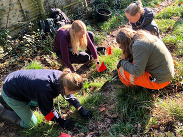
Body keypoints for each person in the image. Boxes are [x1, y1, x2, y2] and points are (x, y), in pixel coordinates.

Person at [0, 69, 92, 129]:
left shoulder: (64, 77)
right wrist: (60, 121)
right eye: (73, 93)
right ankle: (2, 111)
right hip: (12, 93)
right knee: (31, 124)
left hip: (16, 82)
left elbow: (67, 95)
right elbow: (46, 111)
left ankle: (3, 98)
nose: (74, 95)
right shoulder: (45, 90)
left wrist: (79, 107)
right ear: (66, 88)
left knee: (40, 101)